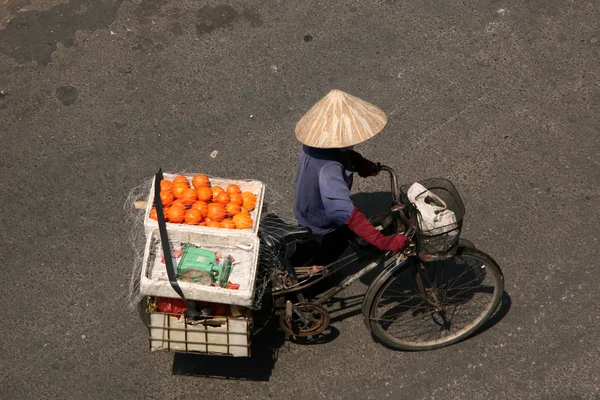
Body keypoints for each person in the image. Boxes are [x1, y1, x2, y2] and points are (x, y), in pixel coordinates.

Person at [293, 89, 409, 265]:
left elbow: (340, 154)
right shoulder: (329, 169)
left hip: (307, 203)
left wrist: (360, 163)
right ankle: (313, 285)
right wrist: (384, 242)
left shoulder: (316, 143)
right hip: (319, 218)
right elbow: (341, 210)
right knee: (324, 253)